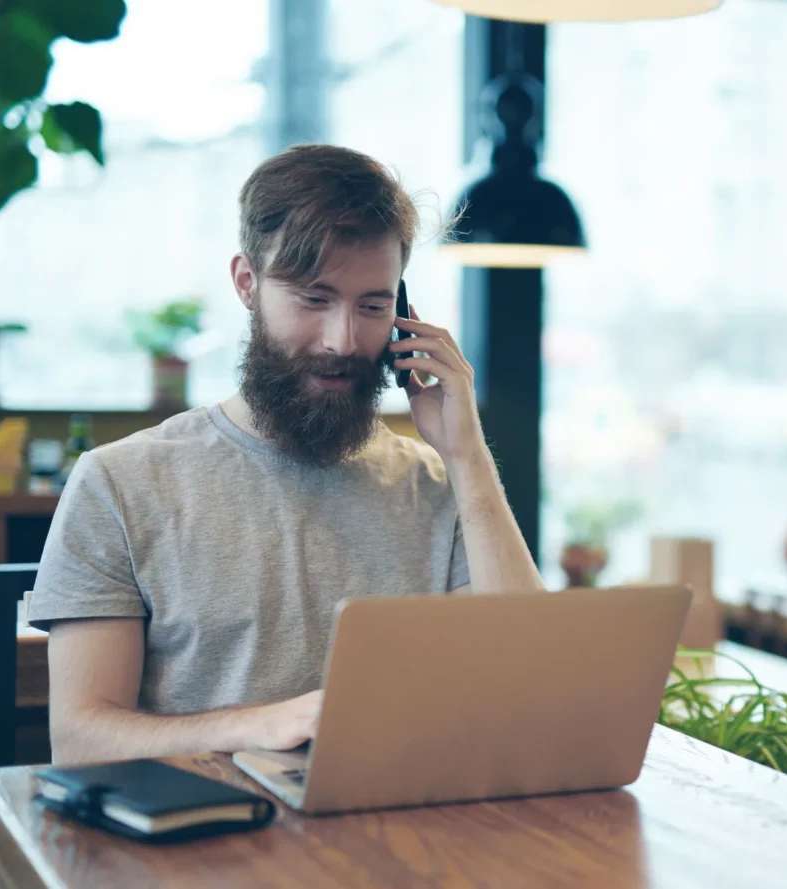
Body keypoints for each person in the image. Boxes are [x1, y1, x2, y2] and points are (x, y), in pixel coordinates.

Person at [29, 144, 544, 765]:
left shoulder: (434, 482)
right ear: (248, 283)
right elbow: (79, 739)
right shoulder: (121, 483)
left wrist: (468, 459)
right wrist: (263, 725)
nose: (343, 340)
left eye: (374, 306)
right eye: (313, 298)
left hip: (393, 832)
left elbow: (528, 687)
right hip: (199, 840)